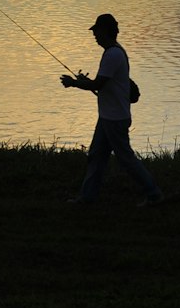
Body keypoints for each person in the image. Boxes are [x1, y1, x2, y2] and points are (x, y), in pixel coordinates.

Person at [60, 13, 163, 206]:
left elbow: (98, 84)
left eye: (97, 31)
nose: (94, 35)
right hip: (108, 117)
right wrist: (84, 82)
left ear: (105, 31)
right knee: (96, 157)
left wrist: (74, 83)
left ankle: (153, 194)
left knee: (125, 159)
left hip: (114, 119)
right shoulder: (114, 52)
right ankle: (88, 197)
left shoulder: (112, 54)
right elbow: (103, 85)